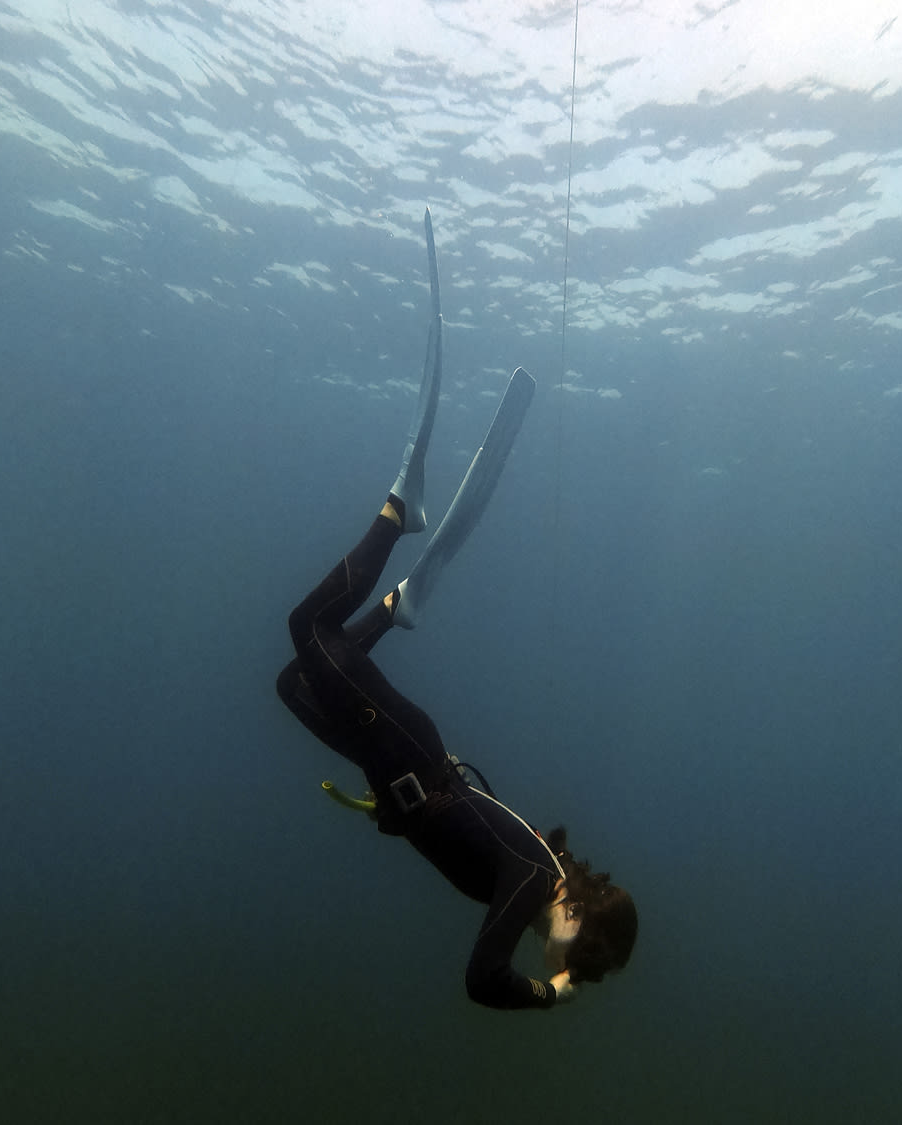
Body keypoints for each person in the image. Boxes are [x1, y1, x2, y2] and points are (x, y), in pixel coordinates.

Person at [275, 210, 636, 1010]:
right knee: (307, 632)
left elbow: (462, 848)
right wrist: (554, 990)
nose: (580, 963)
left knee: (290, 682)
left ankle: (397, 604)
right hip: (405, 746)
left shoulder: (533, 880)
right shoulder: (537, 881)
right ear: (585, 920)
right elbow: (483, 980)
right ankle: (400, 510)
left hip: (393, 762)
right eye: (593, 957)